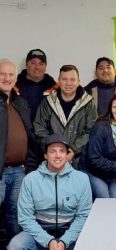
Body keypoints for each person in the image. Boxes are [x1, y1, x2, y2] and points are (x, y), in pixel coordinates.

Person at [7, 134, 92, 250]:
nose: (57, 155)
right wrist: (48, 241)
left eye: (62, 151)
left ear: (67, 155)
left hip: (71, 231)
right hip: (39, 231)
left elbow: (83, 216)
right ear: (45, 155)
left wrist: (64, 241)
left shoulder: (82, 179)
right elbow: (25, 218)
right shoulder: (31, 179)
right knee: (16, 245)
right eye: (52, 151)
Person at [0, 59, 40, 239]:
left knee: (15, 217)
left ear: (16, 77)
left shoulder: (20, 102)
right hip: (0, 172)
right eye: (2, 74)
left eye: (10, 74)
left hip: (19, 171)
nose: (7, 78)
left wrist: (30, 166)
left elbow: (30, 136)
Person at [34, 65, 97, 167]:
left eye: (72, 79)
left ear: (78, 81)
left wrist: (73, 149)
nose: (68, 83)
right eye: (64, 79)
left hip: (80, 163)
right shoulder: (47, 103)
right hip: (52, 162)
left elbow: (92, 131)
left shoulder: (89, 104)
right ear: (58, 80)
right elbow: (39, 130)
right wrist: (56, 151)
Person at [14, 49, 57, 121]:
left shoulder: (54, 87)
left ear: (45, 66)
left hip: (46, 131)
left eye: (41, 63)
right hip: (21, 131)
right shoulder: (13, 85)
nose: (37, 67)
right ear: (26, 64)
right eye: (33, 63)